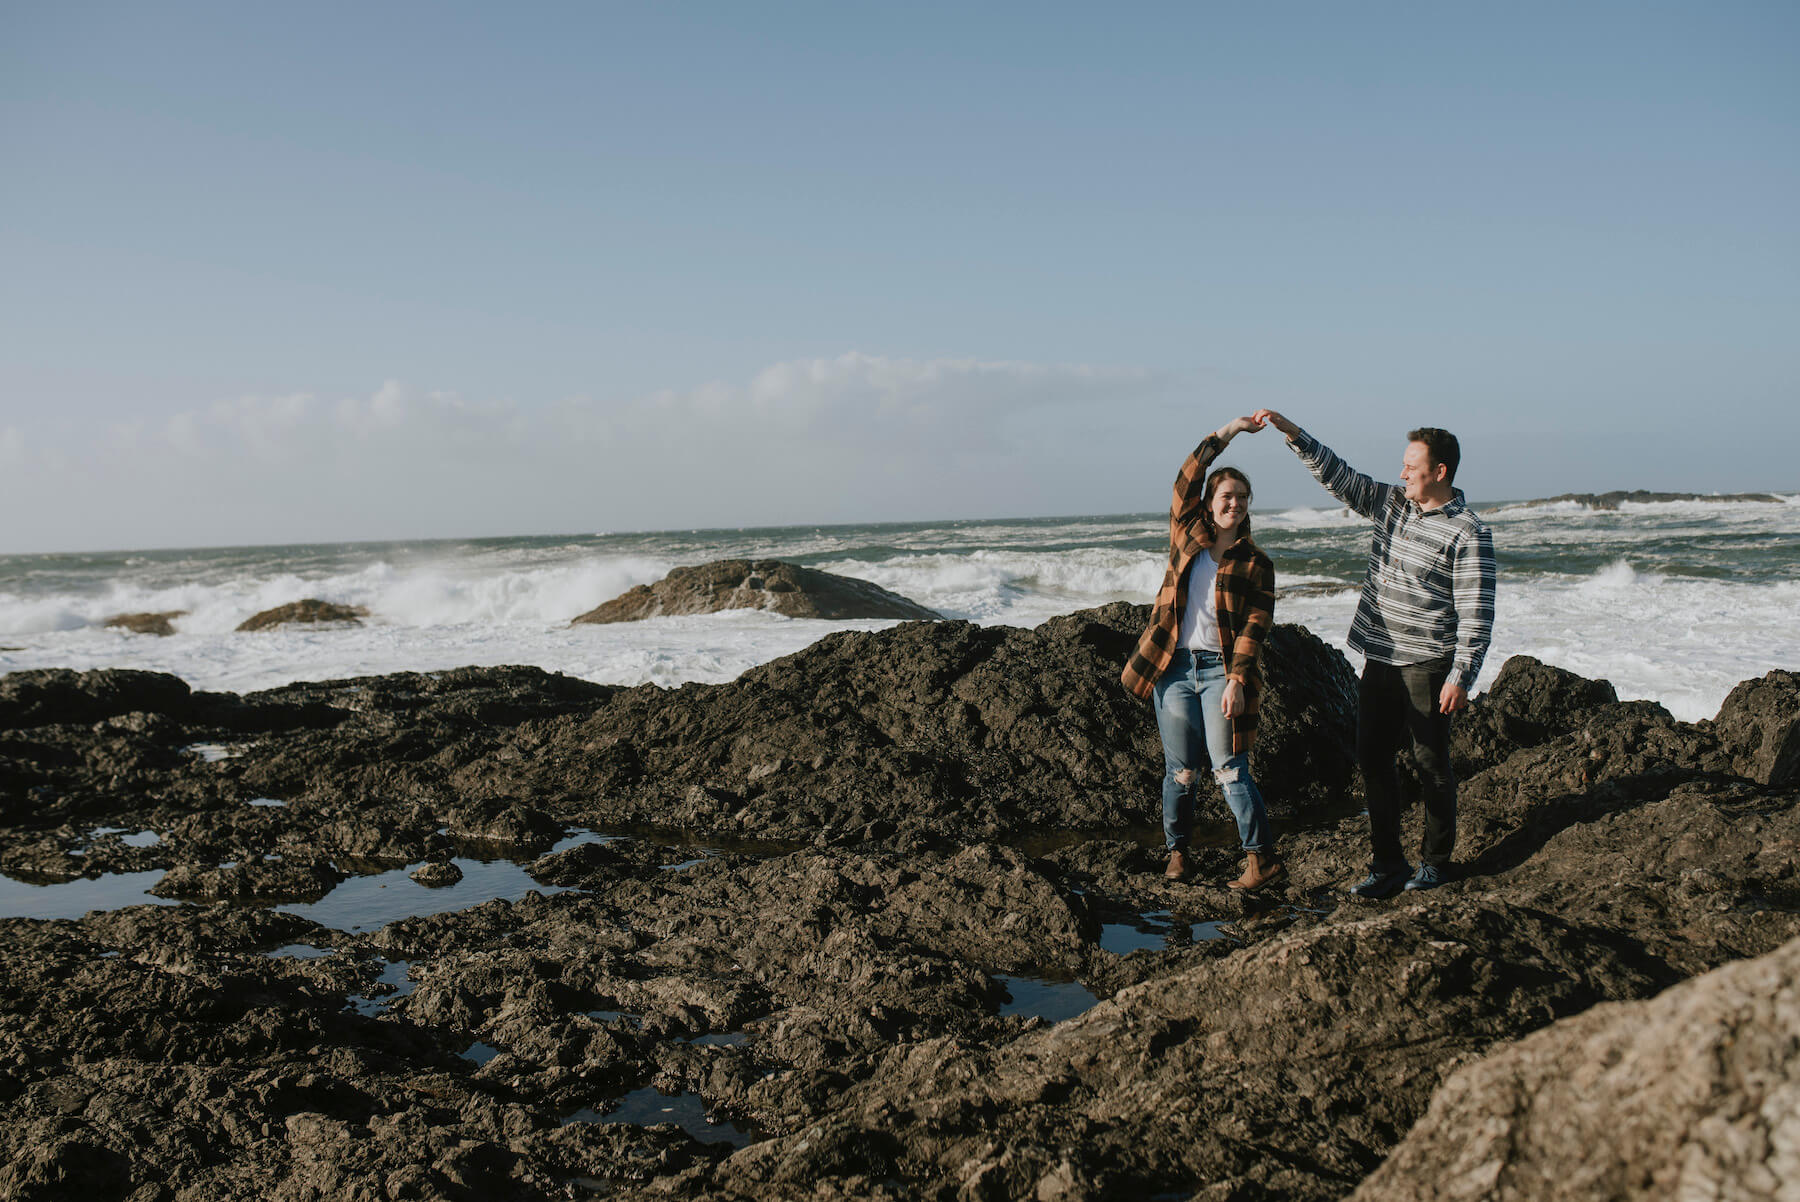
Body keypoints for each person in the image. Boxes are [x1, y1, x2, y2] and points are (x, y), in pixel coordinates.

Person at [1252, 409, 1496, 898]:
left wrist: (1462, 676)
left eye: (1411, 466)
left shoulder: (1468, 532)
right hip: (1379, 657)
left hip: (1427, 662)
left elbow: (1477, 610)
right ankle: (1387, 864)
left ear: (1440, 472)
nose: (1401, 472)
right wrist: (1292, 433)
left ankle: (1436, 863)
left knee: (1431, 763)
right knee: (1372, 758)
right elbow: (1341, 477)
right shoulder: (1391, 504)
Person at [1122, 414, 1282, 890]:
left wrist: (1236, 679)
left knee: (1230, 768)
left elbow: (1256, 626)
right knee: (1182, 771)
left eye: (1241, 497)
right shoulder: (1187, 536)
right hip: (1171, 668)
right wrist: (1229, 432)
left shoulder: (1257, 563)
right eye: (1224, 496)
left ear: (1248, 506)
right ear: (1210, 505)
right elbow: (1186, 477)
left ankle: (1261, 860)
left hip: (1219, 674)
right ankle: (1177, 854)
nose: (1233, 503)